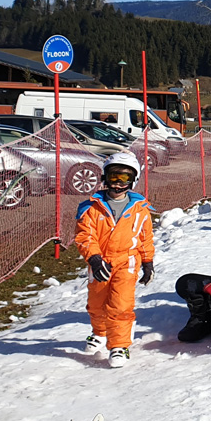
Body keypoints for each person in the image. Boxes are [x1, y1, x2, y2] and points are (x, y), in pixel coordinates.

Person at [75, 152, 155, 369]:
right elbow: (84, 235)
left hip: (127, 261)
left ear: (133, 181)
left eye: (124, 179)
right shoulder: (91, 207)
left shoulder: (140, 209)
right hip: (100, 261)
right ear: (104, 178)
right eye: (113, 177)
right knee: (97, 302)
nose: (118, 184)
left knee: (121, 304)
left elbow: (145, 237)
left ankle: (119, 344)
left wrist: (148, 262)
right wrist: (93, 257)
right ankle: (100, 332)